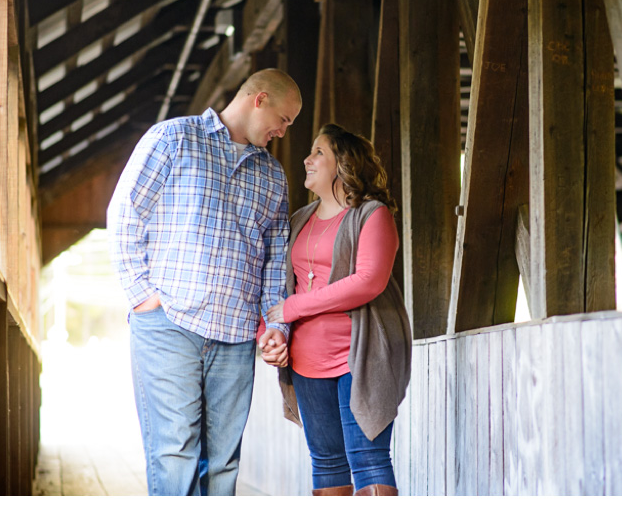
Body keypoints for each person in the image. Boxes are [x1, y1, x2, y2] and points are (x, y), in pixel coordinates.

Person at [108, 68, 302, 495]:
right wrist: (142, 295)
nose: (284, 132)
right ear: (261, 99)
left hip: (233, 338)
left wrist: (276, 325)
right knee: (174, 453)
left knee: (223, 462)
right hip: (169, 325)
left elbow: (274, 264)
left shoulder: (272, 176)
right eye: (284, 119)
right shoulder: (173, 138)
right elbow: (125, 213)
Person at [262, 123, 412, 496]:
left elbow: (368, 282)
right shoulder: (299, 220)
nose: (306, 159)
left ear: (343, 164)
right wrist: (277, 333)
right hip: (306, 361)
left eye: (318, 153)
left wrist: (292, 309)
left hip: (358, 358)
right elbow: (281, 288)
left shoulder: (371, 215)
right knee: (326, 462)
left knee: (369, 458)